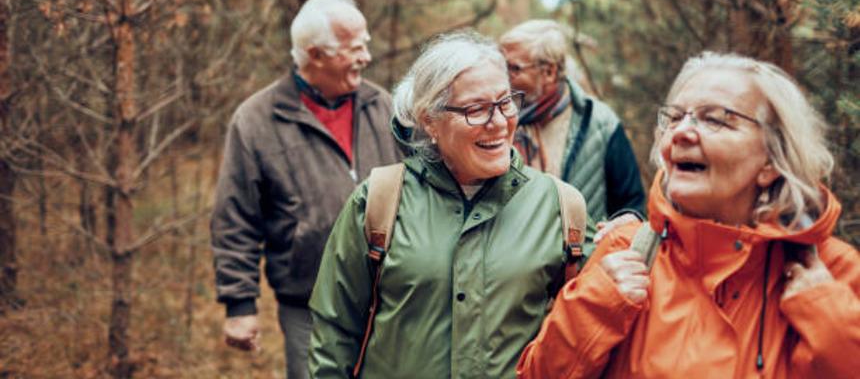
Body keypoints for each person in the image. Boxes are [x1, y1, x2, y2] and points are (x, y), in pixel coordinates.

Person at [517, 52, 860, 378]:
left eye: (714, 119)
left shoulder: (835, 272)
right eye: (674, 117)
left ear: (771, 160)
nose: (681, 132)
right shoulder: (623, 253)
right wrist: (592, 309)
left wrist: (829, 320)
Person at [308, 31, 587, 378]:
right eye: (476, 109)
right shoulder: (379, 201)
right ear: (429, 120)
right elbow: (334, 332)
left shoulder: (560, 207)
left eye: (505, 102)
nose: (499, 122)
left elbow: (589, 329)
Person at [210, 0, 401, 379]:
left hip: (394, 295)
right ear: (315, 55)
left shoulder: (384, 106)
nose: (366, 57)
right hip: (309, 301)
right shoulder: (256, 120)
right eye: (354, 48)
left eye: (366, 44)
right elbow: (235, 217)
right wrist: (239, 304)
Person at [500, 20, 645, 257]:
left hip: (580, 270)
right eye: (501, 66)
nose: (503, 77)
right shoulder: (496, 119)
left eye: (513, 68)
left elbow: (631, 207)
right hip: (510, 267)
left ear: (549, 72)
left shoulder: (600, 123)